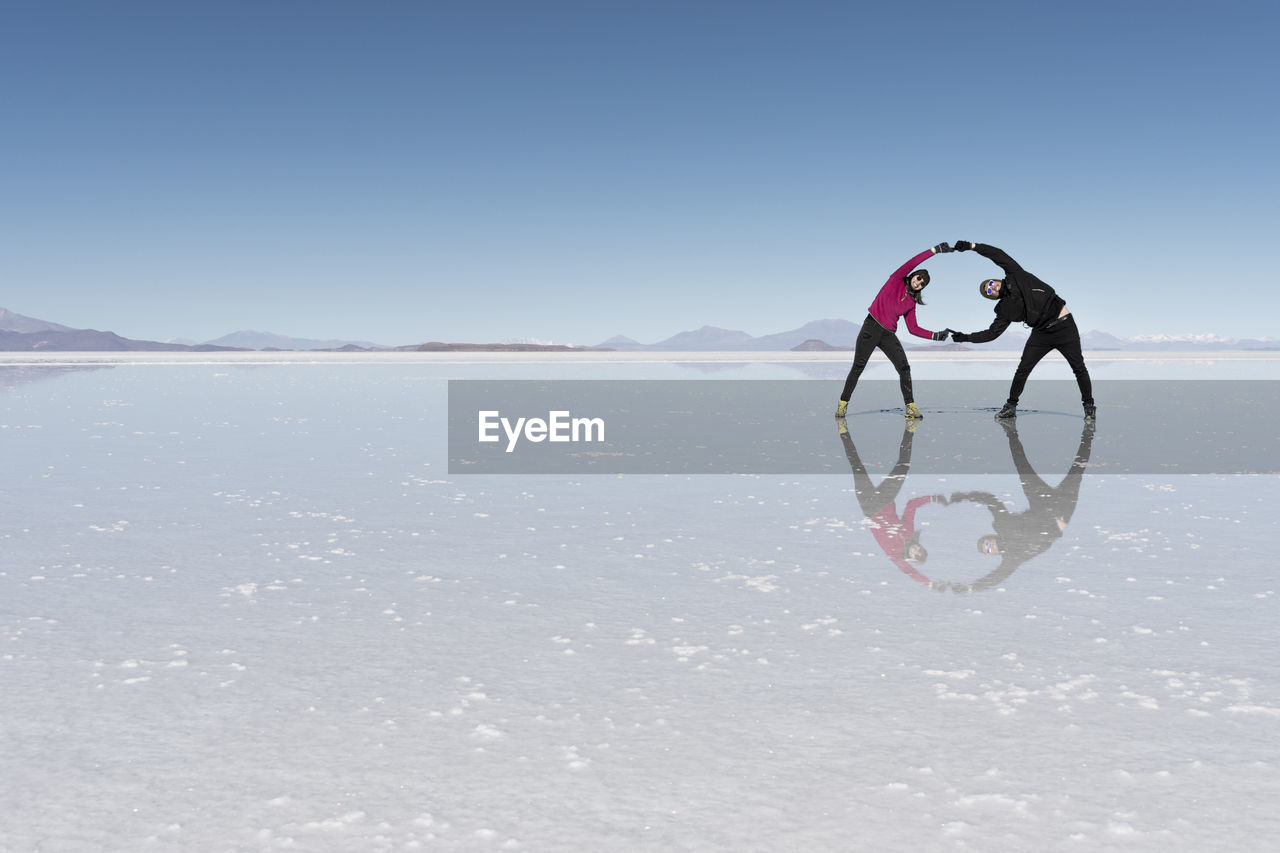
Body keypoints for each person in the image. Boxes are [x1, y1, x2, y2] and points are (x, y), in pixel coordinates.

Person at [949, 241, 1096, 420]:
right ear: (992, 297)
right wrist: (965, 337)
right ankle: (1010, 406)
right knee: (1023, 369)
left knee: (1078, 368)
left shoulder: (1015, 273)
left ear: (995, 280)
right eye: (989, 291)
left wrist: (973, 247)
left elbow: (997, 254)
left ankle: (1089, 406)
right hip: (1041, 333)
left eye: (991, 283)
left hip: (1064, 326)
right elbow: (991, 334)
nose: (992, 287)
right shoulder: (1004, 309)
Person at [947, 418, 1094, 591]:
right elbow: (1000, 574)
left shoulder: (1002, 525)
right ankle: (1089, 434)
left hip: (1040, 503)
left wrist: (966, 496)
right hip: (1060, 511)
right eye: (987, 549)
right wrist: (973, 587)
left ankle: (1011, 432)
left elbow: (991, 501)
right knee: (1078, 469)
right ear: (992, 554)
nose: (990, 546)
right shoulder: (1012, 556)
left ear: (989, 536)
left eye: (986, 542)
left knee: (1022, 466)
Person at [836, 243, 953, 421]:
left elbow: (913, 329)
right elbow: (914, 261)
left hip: (887, 334)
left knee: (904, 368)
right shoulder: (896, 279)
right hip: (871, 327)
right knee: (858, 367)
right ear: (913, 275)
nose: (918, 282)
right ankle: (843, 404)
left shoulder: (911, 303)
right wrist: (934, 251)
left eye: (922, 283)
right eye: (918, 277)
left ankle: (910, 407)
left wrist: (935, 336)